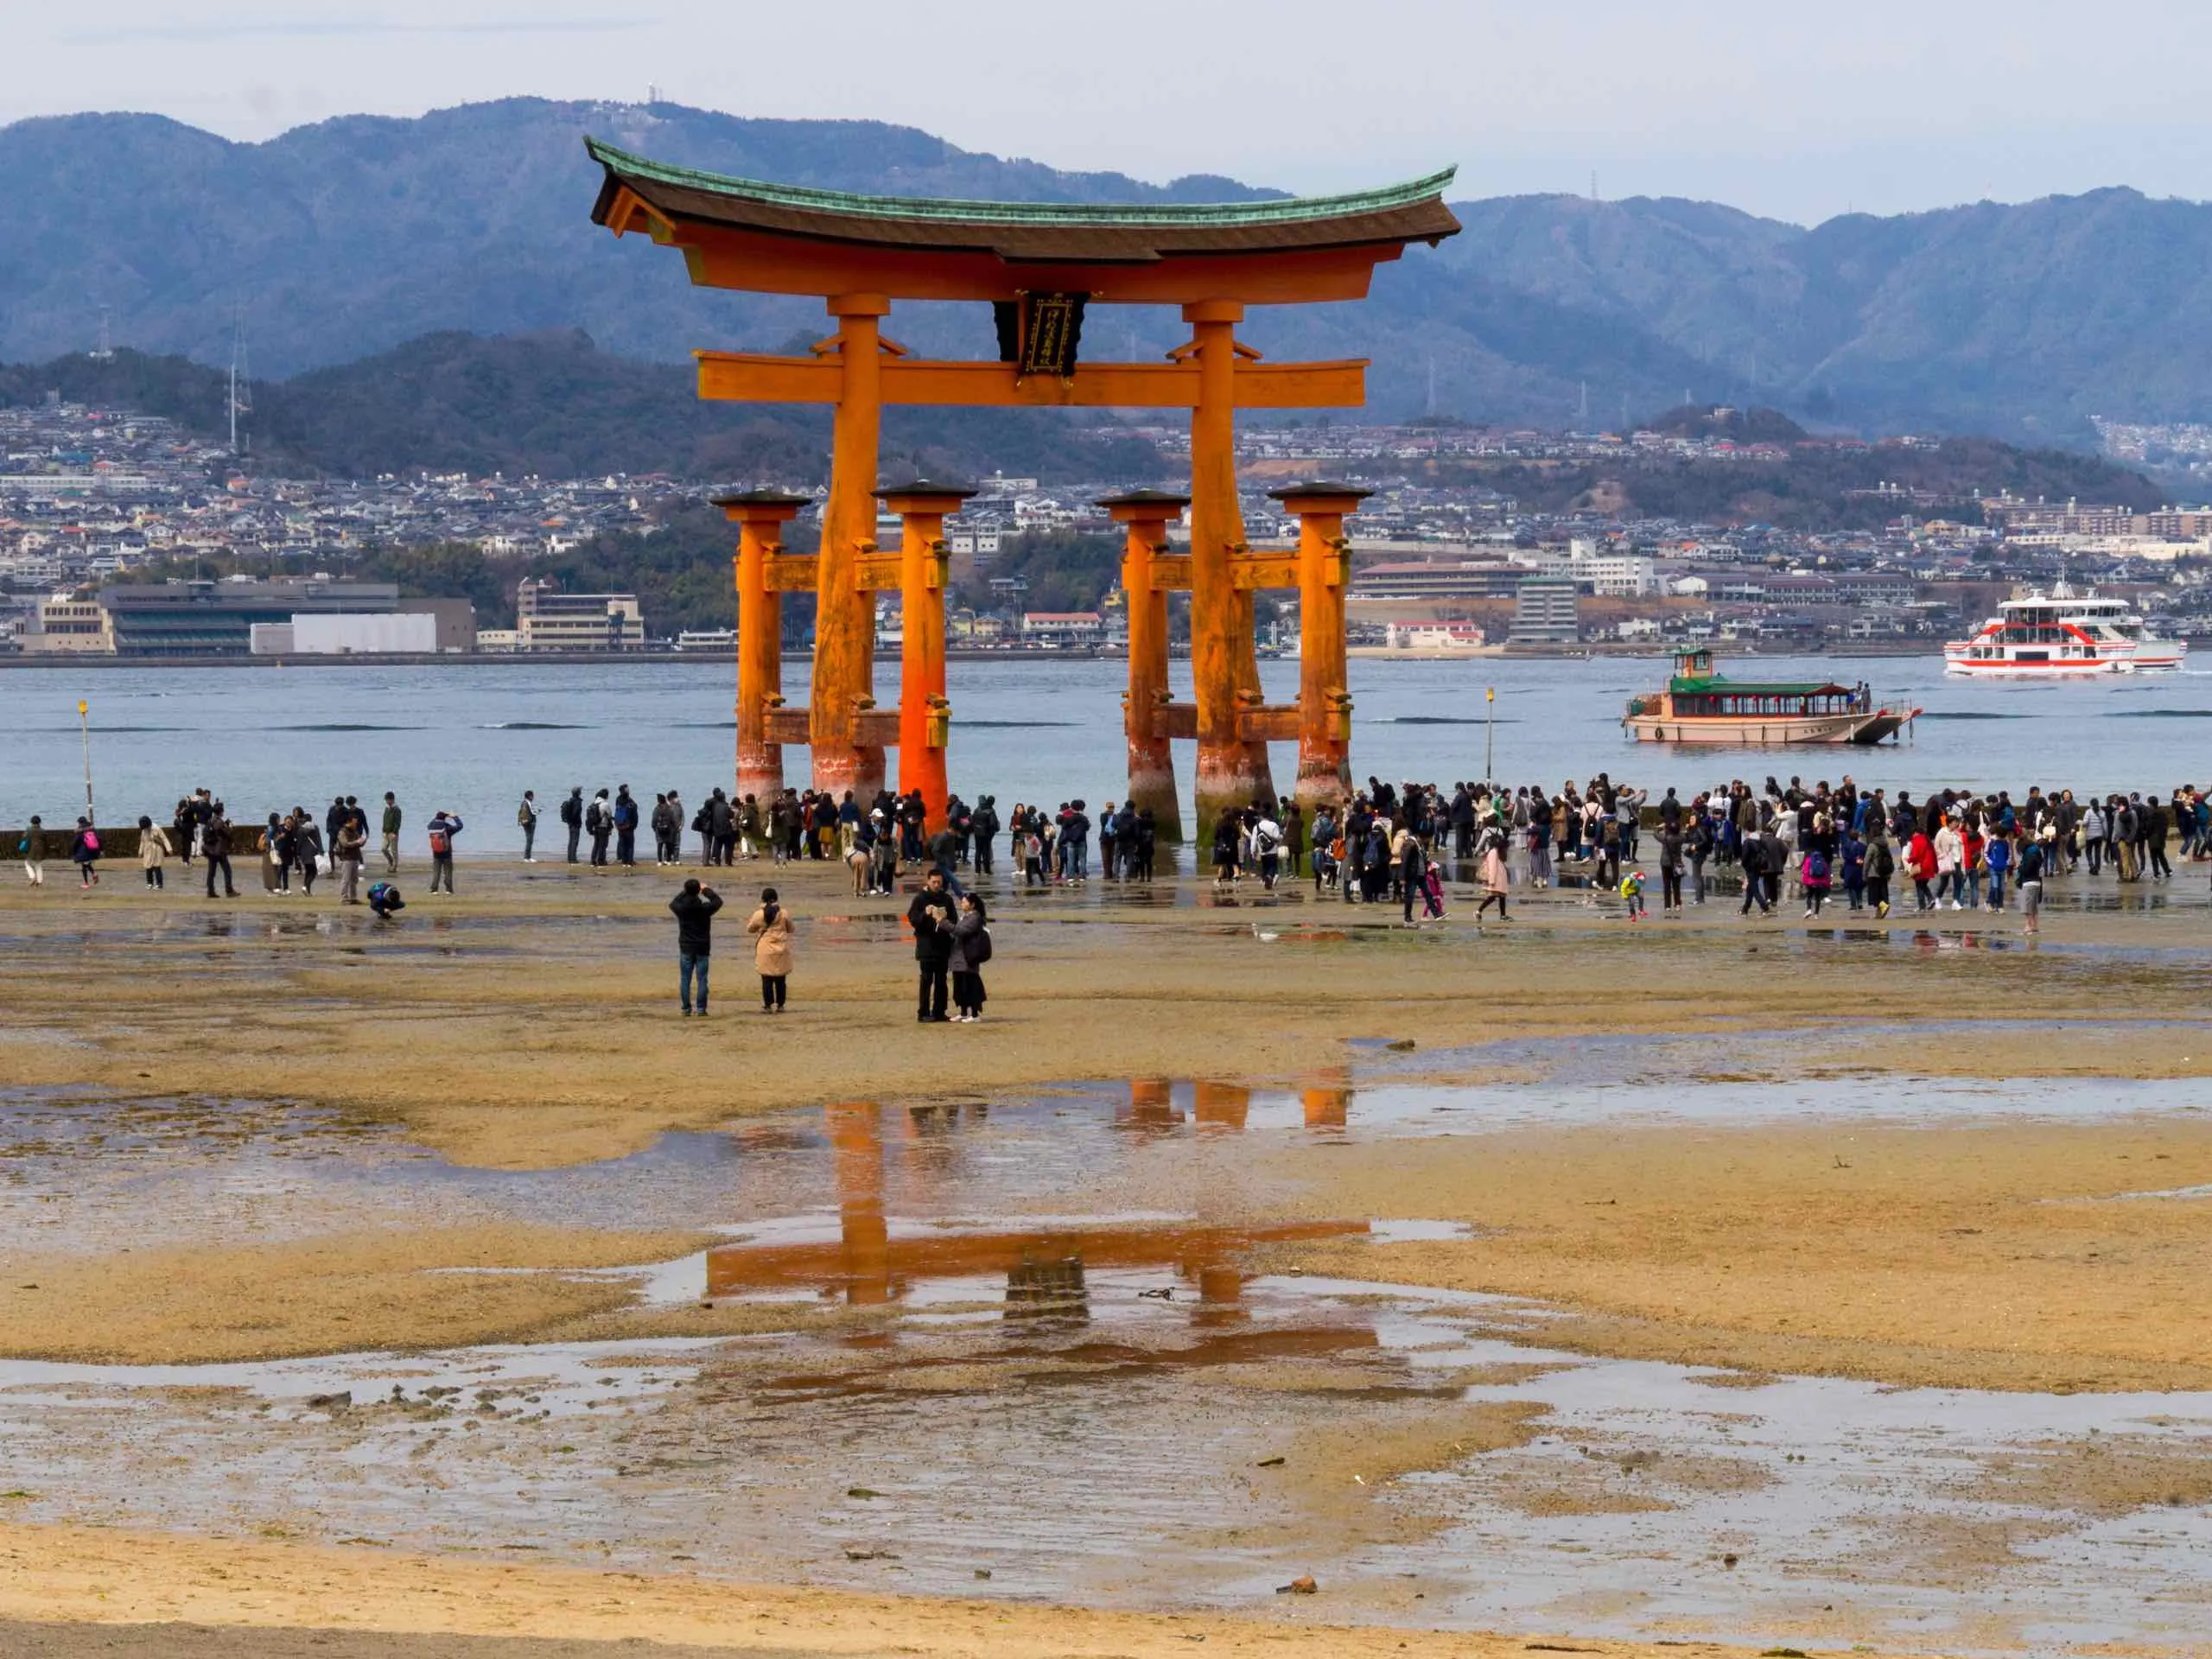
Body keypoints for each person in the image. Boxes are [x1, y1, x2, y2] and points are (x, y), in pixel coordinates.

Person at [668, 877, 723, 1016]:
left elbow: (673, 903)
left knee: (685, 979)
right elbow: (718, 901)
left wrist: (684, 892)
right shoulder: (704, 908)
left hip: (686, 946)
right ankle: (701, 1008)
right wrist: (706, 890)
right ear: (698, 892)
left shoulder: (682, 909)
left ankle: (686, 1008)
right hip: (702, 947)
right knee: (702, 979)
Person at [907, 868, 957, 1022]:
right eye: (934, 882)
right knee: (926, 980)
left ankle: (939, 1011)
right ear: (928, 882)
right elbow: (913, 919)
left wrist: (944, 918)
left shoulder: (947, 899)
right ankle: (923, 1013)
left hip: (942, 945)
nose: (936, 885)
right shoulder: (920, 899)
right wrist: (925, 914)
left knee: (941, 980)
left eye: (939, 883)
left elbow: (954, 920)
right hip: (926, 946)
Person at [746, 885, 794, 1014]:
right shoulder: (784, 913)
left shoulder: (759, 914)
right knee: (781, 979)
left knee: (766, 978)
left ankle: (768, 1005)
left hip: (765, 948)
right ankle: (780, 1005)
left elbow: (750, 929)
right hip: (781, 948)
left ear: (763, 899)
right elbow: (791, 929)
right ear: (776, 898)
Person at [950, 891, 992, 1021]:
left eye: (964, 901)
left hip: (969, 957)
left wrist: (943, 922)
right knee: (960, 985)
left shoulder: (975, 918)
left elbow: (961, 931)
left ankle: (974, 1015)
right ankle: (963, 1012)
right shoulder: (965, 917)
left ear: (972, 905)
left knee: (970, 985)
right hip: (959, 957)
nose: (962, 903)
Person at [203, 803, 237, 898]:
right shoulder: (219, 822)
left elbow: (215, 830)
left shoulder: (210, 820)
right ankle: (229, 891)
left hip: (210, 849)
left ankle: (210, 891)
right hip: (219, 850)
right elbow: (227, 834)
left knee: (211, 872)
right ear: (221, 811)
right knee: (227, 871)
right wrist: (230, 827)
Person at [426, 809, 462, 894]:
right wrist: (454, 817)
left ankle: (434, 890)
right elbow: (460, 826)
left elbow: (430, 824)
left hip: (436, 853)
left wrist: (439, 815)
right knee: (448, 872)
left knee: (436, 872)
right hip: (447, 853)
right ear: (444, 819)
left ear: (436, 818)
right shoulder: (447, 827)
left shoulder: (431, 826)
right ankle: (448, 890)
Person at [334, 814, 367, 904]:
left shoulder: (354, 831)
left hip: (355, 857)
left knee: (354, 879)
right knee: (346, 879)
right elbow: (345, 844)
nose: (356, 824)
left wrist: (362, 841)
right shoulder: (342, 832)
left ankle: (353, 898)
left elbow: (358, 843)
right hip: (346, 858)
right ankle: (343, 898)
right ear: (349, 822)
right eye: (354, 822)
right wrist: (357, 842)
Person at [2017, 835, 2045, 935]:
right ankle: (2034, 926)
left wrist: (2020, 868)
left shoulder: (2029, 854)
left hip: (2029, 883)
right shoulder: (2036, 851)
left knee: (2027, 908)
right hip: (2037, 882)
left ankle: (2030, 926)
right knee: (2033, 908)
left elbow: (2026, 869)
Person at [137, 816, 171, 889]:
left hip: (157, 850)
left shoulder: (157, 829)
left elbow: (164, 839)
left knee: (157, 867)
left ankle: (159, 884)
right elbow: (142, 841)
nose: (145, 829)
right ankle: (149, 883)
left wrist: (169, 849)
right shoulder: (144, 830)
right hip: (148, 850)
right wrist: (140, 851)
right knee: (148, 868)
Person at [70, 818, 101, 889]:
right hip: (93, 851)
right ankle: (94, 874)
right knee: (87, 865)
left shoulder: (81, 831)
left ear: (80, 823)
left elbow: (76, 842)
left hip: (84, 852)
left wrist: (74, 851)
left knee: (84, 867)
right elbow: (99, 839)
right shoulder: (93, 830)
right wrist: (100, 850)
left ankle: (86, 883)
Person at [17, 815, 44, 887]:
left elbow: (23, 838)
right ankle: (39, 881)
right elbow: (46, 841)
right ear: (39, 823)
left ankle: (32, 877)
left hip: (30, 850)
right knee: (38, 865)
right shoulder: (43, 831)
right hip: (40, 851)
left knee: (27, 863)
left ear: (32, 822)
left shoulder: (28, 830)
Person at [380, 792, 403, 874]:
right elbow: (385, 820)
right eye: (386, 800)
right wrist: (383, 831)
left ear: (392, 799)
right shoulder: (386, 808)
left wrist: (394, 832)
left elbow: (398, 822)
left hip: (393, 833)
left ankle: (394, 866)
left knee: (394, 850)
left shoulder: (397, 809)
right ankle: (391, 861)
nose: (386, 801)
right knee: (383, 849)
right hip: (386, 832)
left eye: (387, 800)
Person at [561, 787, 585, 863]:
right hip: (575, 824)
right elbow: (576, 813)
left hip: (570, 823)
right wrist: (575, 822)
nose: (581, 792)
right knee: (575, 841)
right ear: (578, 793)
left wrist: (570, 822)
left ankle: (570, 858)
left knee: (571, 841)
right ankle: (573, 859)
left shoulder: (571, 800)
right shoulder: (577, 802)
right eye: (580, 791)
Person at [518, 791, 541, 862]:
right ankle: (527, 857)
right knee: (529, 840)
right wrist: (538, 811)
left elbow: (520, 812)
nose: (533, 797)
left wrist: (519, 821)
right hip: (529, 823)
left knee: (529, 840)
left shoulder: (523, 803)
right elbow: (532, 812)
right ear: (530, 796)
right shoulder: (528, 803)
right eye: (532, 796)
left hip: (525, 823)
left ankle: (527, 857)